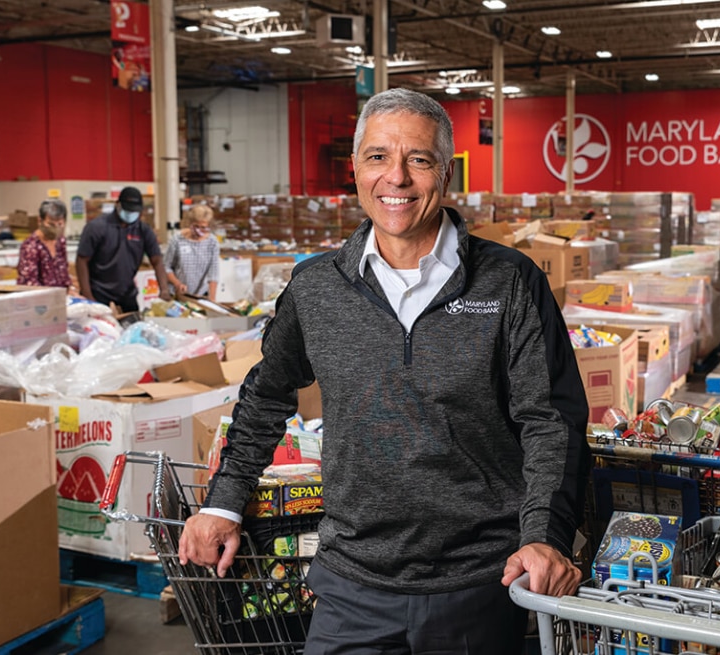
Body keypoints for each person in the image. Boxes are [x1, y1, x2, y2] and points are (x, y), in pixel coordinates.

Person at [178, 88, 590, 655]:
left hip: (480, 583)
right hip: (352, 583)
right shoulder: (317, 287)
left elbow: (551, 420)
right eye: (377, 157)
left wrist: (545, 537)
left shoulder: (509, 282)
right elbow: (266, 395)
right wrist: (224, 501)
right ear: (355, 169)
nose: (394, 178)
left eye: (417, 160)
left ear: (445, 174)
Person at [75, 186, 171, 312]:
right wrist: (88, 296)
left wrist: (164, 289)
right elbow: (82, 260)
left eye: (134, 211)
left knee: (134, 327)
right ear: (117, 205)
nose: (131, 214)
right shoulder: (97, 227)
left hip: (126, 291)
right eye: (128, 210)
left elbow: (157, 260)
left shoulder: (143, 230)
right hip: (98, 291)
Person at [163, 204, 220, 301]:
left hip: (200, 295)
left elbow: (213, 273)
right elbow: (165, 267)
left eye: (203, 227)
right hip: (177, 294)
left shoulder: (212, 242)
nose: (199, 231)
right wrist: (177, 283)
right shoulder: (177, 240)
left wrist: (212, 299)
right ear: (190, 224)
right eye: (196, 226)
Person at [16, 199, 75, 292]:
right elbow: (29, 282)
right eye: (51, 224)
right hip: (39, 298)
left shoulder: (61, 240)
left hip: (61, 296)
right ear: (40, 221)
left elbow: (64, 273)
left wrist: (71, 289)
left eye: (60, 224)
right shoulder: (31, 245)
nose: (55, 228)